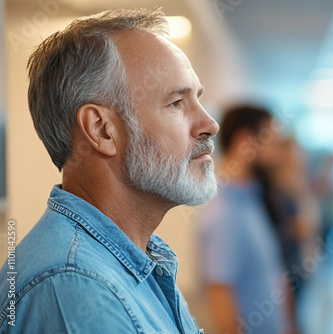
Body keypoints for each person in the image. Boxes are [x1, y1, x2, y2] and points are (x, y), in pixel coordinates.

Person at [0, 8, 219, 333]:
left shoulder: (136, 261)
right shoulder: (74, 288)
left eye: (197, 100)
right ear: (101, 130)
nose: (209, 125)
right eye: (176, 103)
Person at [198, 105, 293, 334]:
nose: (278, 151)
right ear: (245, 142)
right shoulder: (224, 213)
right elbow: (220, 295)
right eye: (271, 139)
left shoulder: (252, 199)